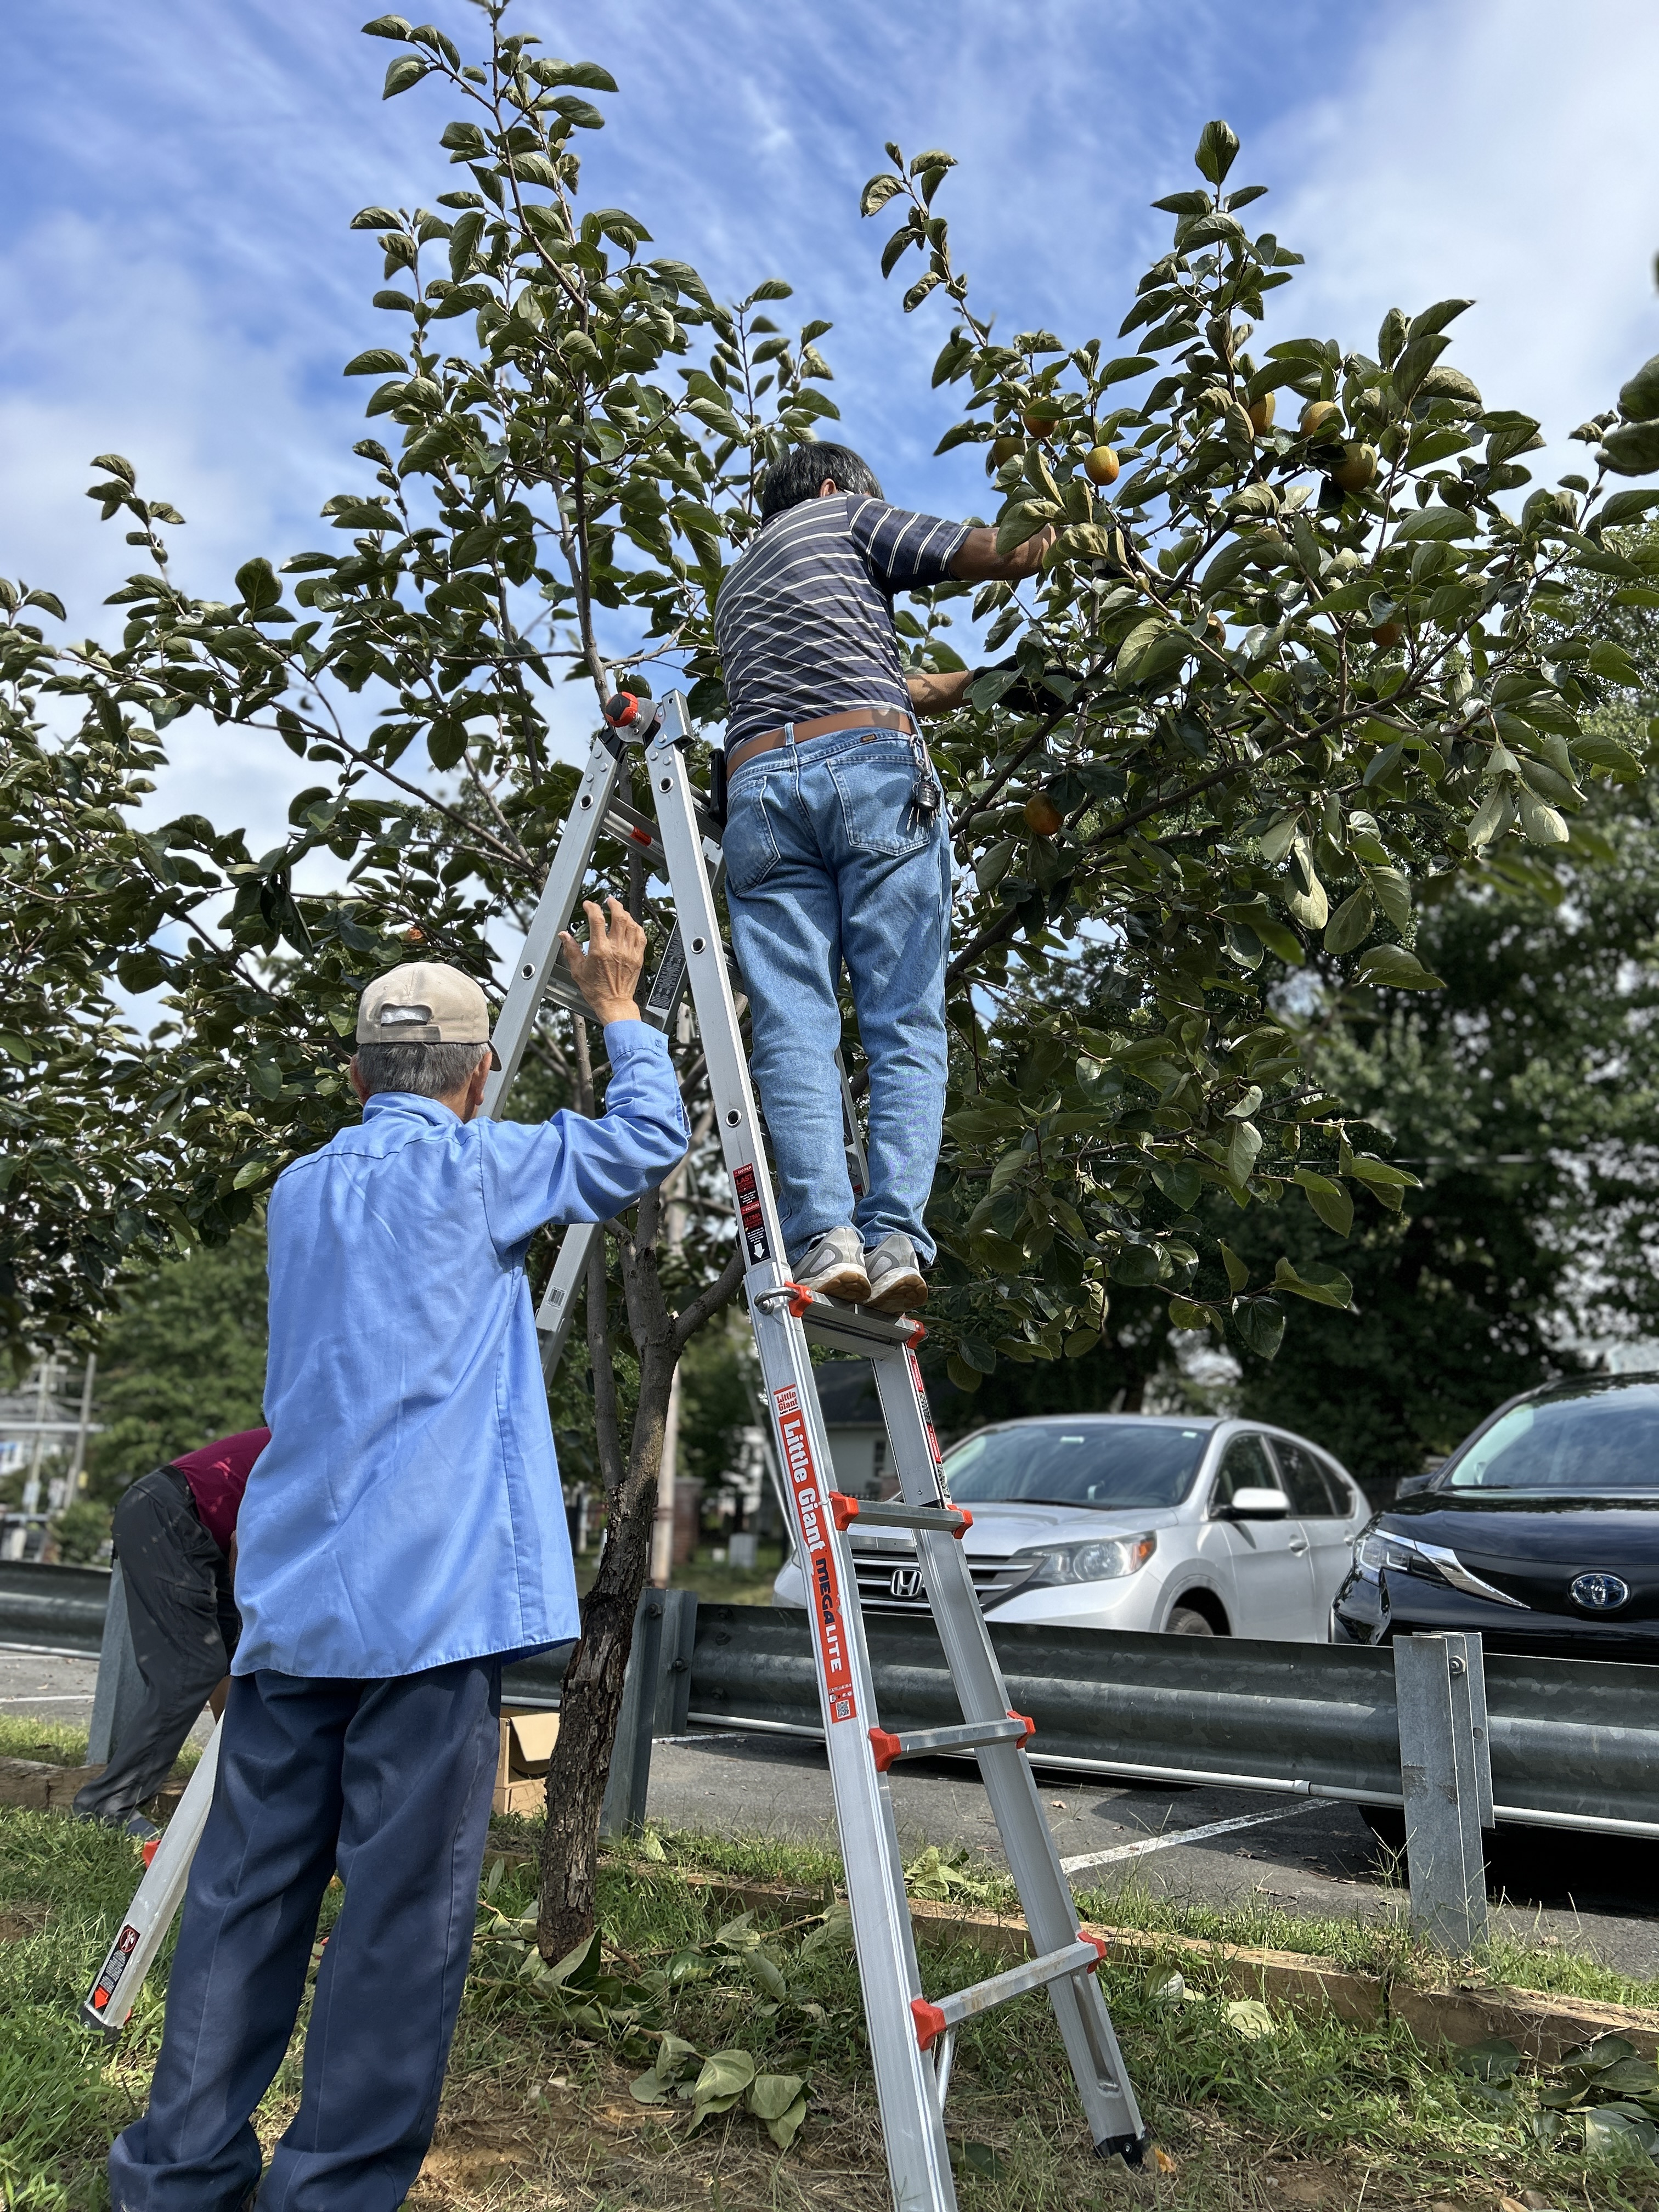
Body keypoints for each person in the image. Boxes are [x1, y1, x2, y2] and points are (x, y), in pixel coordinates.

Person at [109, 909, 686, 2212]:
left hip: (293, 1605)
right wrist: (618, 1009)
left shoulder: (300, 1191)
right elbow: (647, 1141)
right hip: (427, 1621)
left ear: (352, 1075)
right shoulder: (483, 1171)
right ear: (481, 1079)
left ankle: (176, 2177)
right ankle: (329, 2192)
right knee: (396, 1922)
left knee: (244, 1899)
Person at [713, 442, 1054, 1314]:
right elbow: (999, 552)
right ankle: (895, 1237)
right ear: (835, 489)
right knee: (902, 1018)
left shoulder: (741, 583)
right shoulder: (844, 515)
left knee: (793, 1022)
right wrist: (1074, 526)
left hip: (759, 790)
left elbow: (896, 683)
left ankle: (828, 1239)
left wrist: (996, 684)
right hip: (867, 770)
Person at [72, 1427, 269, 1838]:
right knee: (192, 1666)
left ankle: (234, 1781)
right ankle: (108, 1805)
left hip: (195, 1525)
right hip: (170, 1515)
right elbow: (244, 1539)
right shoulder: (321, 1447)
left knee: (228, 1659)